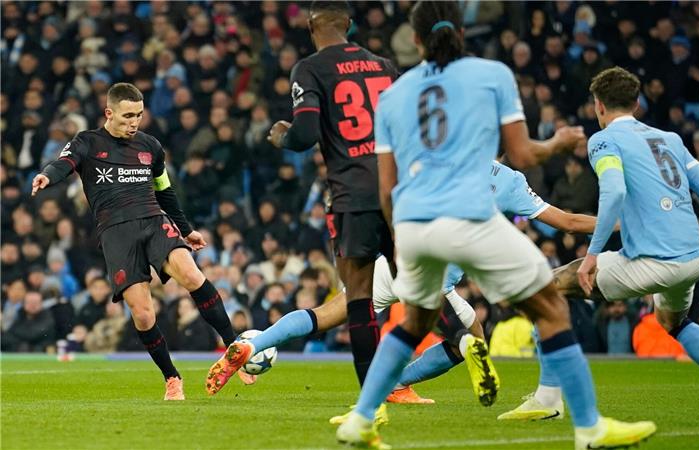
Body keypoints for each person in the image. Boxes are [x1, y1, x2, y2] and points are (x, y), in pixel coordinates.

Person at [333, 3, 653, 448]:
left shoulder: (393, 94)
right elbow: (521, 155)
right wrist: (558, 144)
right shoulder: (492, 75)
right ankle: (589, 428)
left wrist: (397, 241)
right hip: (468, 214)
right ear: (462, 32)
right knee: (552, 305)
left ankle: (362, 418)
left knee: (415, 323)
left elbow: (386, 185)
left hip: (413, 223)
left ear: (417, 40)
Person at [204, 160, 603, 406]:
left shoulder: (434, 162)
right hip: (436, 277)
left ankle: (253, 343)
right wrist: (615, 223)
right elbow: (567, 222)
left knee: (329, 313)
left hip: (397, 260)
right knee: (469, 337)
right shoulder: (510, 182)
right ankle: (402, 379)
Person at [207, 0, 399, 399]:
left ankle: (372, 403)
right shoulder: (385, 66)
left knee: (358, 298)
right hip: (399, 191)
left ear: (311, 27)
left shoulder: (310, 68)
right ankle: (464, 340)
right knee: (421, 287)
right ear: (348, 24)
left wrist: (283, 135)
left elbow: (307, 131)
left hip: (353, 194)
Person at [550, 67, 699, 421]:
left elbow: (614, 190)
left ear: (598, 106)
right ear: (636, 104)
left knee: (549, 287)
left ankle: (546, 398)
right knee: (675, 322)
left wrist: (592, 255)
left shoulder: (603, 140)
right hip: (694, 259)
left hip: (653, 261)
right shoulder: (671, 139)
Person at [31, 82, 252, 401]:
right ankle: (172, 378)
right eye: (127, 116)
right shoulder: (87, 143)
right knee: (144, 314)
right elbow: (64, 163)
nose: (134, 122)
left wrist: (185, 229)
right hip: (116, 233)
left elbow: (165, 190)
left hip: (153, 220)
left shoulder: (151, 146)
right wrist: (47, 176)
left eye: (139, 115)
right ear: (109, 113)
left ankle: (235, 349)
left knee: (191, 275)